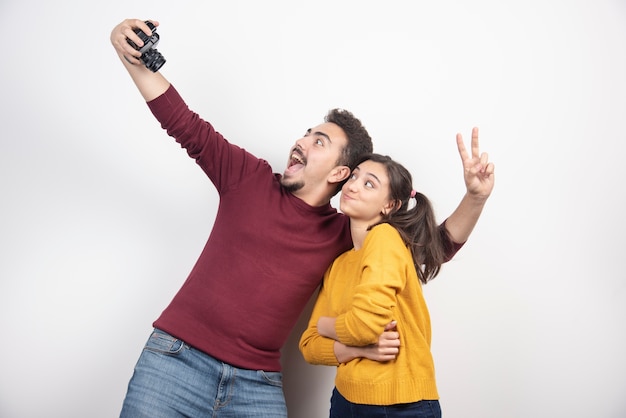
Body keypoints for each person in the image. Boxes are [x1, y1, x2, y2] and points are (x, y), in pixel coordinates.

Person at [110, 18, 495, 418]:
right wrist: (133, 58)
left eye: (319, 142)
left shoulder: (344, 235)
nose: (301, 141)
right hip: (175, 361)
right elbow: (185, 125)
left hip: (256, 385)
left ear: (338, 173)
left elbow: (434, 247)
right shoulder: (247, 177)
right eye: (307, 133)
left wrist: (475, 196)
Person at [299, 153, 486, 418]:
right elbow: (309, 346)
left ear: (389, 205)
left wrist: (326, 325)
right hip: (344, 401)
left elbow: (363, 327)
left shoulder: (385, 237)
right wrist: (354, 348)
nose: (352, 185)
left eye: (369, 183)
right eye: (354, 176)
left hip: (400, 406)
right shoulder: (339, 264)